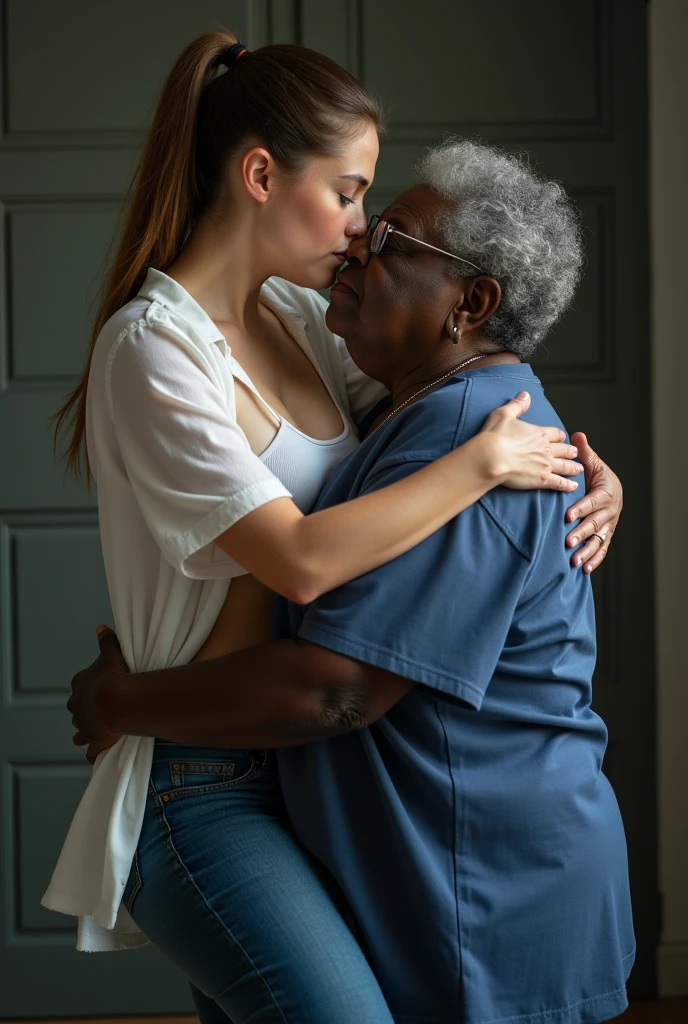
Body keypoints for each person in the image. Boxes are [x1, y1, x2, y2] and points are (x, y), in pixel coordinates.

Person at [68, 140, 633, 1024]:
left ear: (471, 304)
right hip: (448, 857)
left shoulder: (465, 439)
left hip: (490, 881)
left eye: (394, 236)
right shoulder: (408, 401)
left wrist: (122, 704)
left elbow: (338, 692)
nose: (361, 238)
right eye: (355, 204)